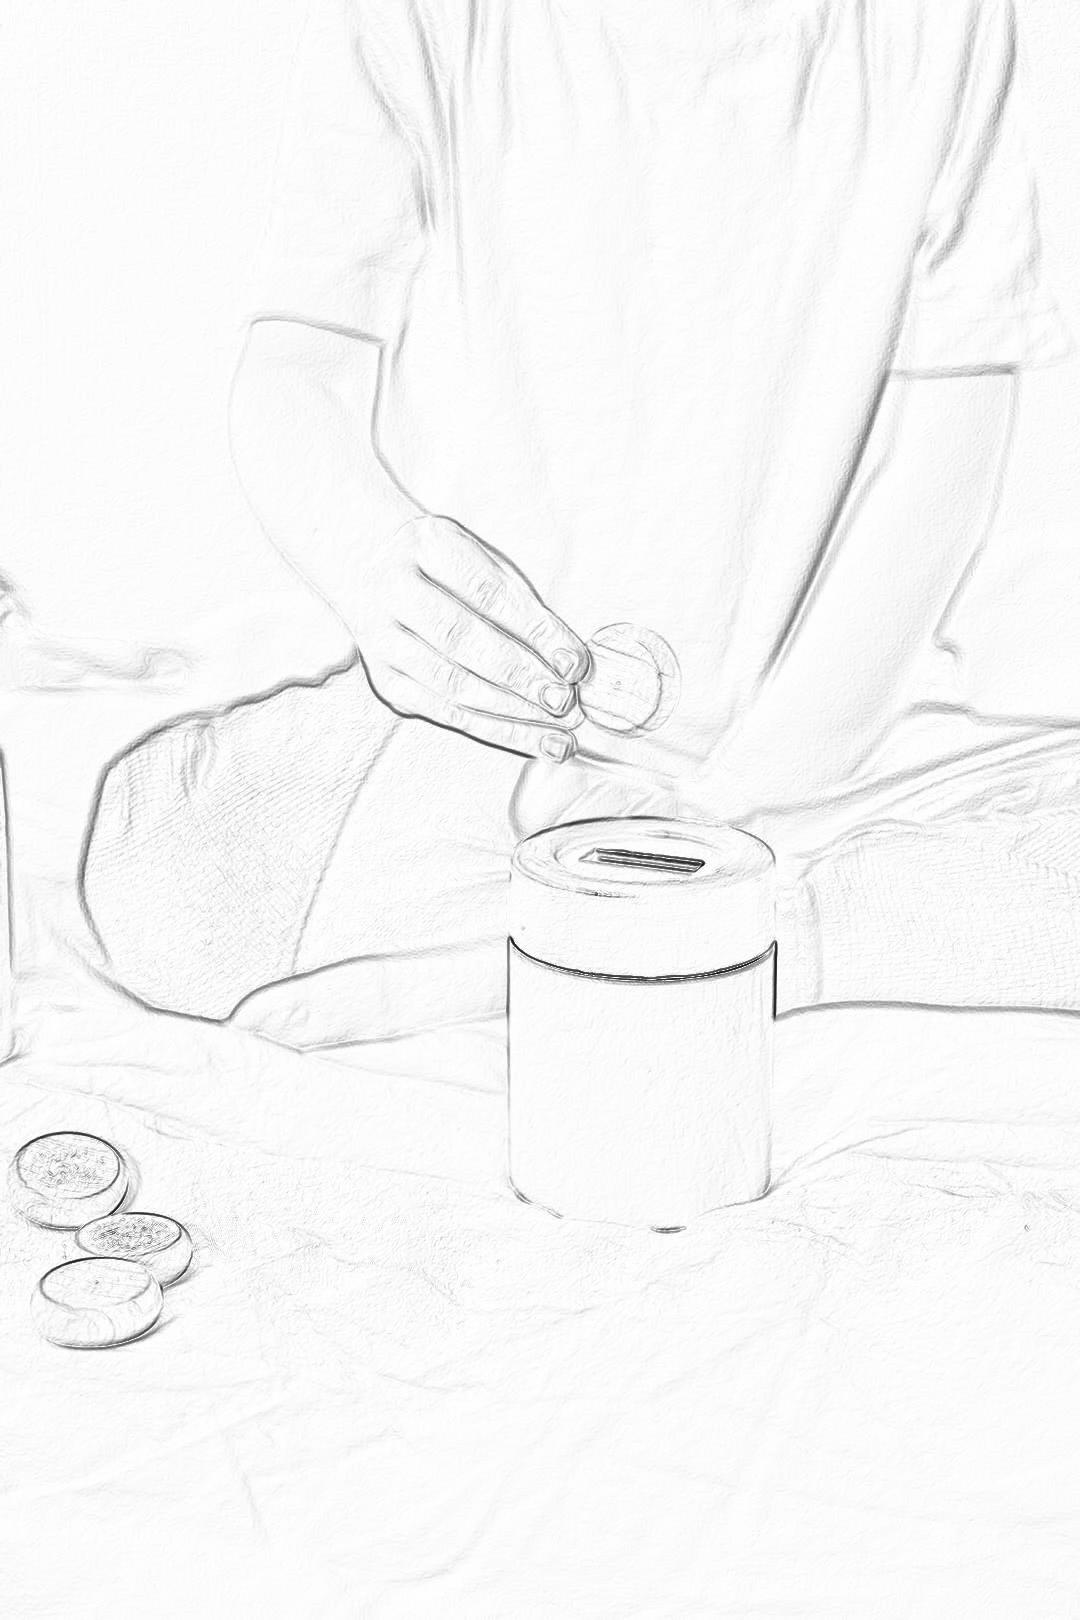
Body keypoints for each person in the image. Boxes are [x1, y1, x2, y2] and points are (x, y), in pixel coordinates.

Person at [81, 0, 1079, 1044]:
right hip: (491, 736)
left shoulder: (939, 21)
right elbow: (293, 375)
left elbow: (944, 460)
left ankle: (723, 940)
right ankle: (718, 941)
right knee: (162, 873)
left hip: (826, 753)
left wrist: (735, 809)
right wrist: (376, 565)